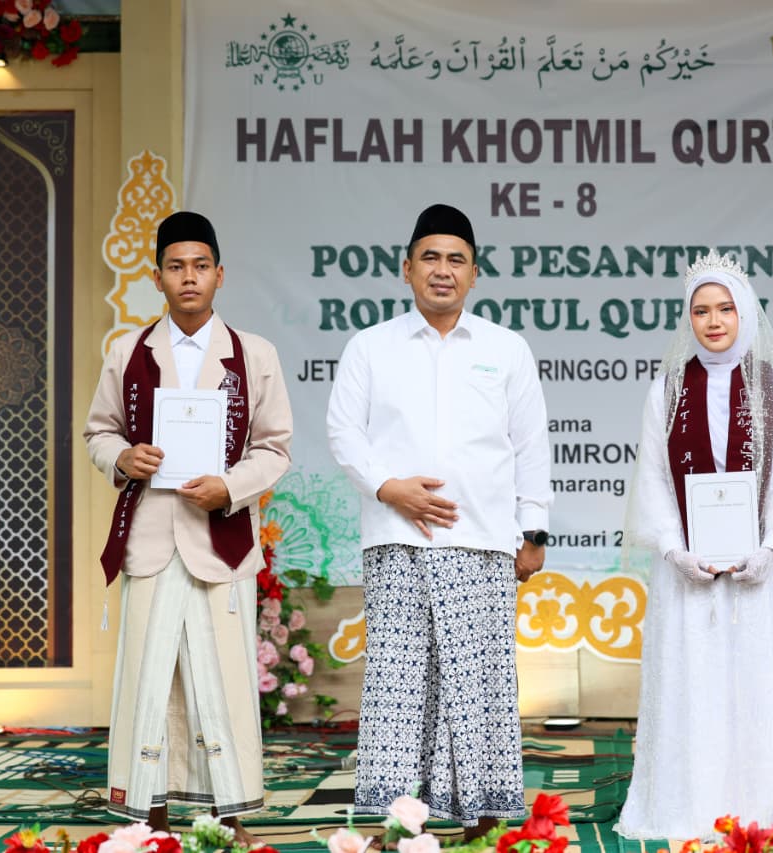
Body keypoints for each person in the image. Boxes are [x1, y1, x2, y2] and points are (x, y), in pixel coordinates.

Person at [326, 203, 552, 838]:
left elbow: (531, 444)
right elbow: (343, 431)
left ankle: (481, 814)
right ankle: (397, 818)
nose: (443, 270)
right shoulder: (370, 347)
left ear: (475, 274)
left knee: (479, 682)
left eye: (457, 260)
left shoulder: (506, 349)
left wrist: (533, 531)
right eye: (430, 257)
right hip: (397, 539)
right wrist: (389, 488)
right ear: (406, 269)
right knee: (400, 682)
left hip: (482, 541)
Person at [85, 211, 293, 843]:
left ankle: (231, 815)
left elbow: (274, 448)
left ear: (219, 275)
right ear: (157, 277)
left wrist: (230, 487)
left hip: (219, 541)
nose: (189, 277)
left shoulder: (253, 354)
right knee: (148, 679)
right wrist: (123, 457)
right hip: (150, 539)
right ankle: (147, 818)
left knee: (223, 681)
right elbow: (99, 433)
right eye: (176, 267)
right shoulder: (128, 351)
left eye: (200, 266)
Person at [615, 251, 773, 839]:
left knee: (758, 680)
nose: (713, 321)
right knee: (695, 684)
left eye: (725, 308)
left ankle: (761, 803)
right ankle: (695, 800)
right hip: (689, 574)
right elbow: (653, 477)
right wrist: (673, 549)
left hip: (764, 572)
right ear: (688, 318)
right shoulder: (668, 389)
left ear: (745, 312)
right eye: (700, 310)